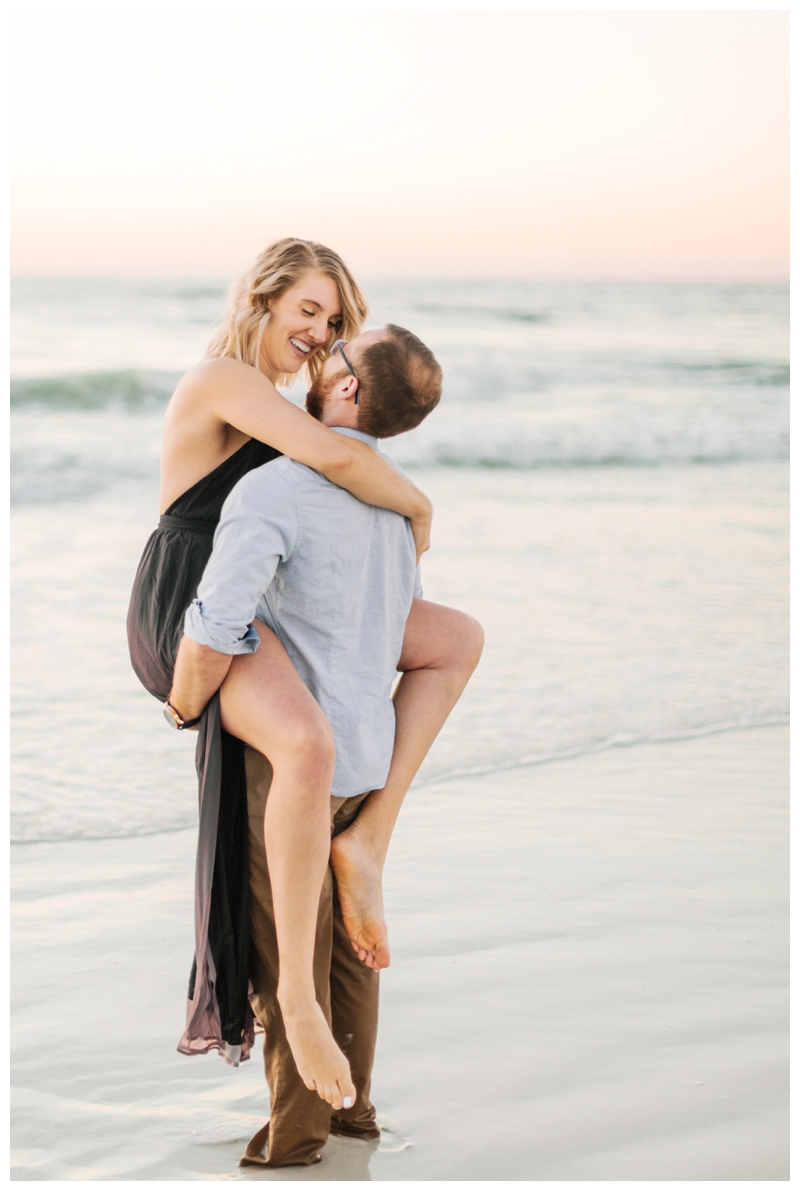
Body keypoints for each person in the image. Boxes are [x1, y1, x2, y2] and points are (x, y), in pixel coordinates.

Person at [126, 238, 483, 1075]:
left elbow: (341, 461)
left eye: (333, 320)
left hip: (258, 605)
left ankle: (368, 843)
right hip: (191, 604)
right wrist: (420, 507)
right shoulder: (222, 380)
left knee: (454, 639)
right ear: (264, 298)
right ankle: (294, 998)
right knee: (308, 745)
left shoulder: (285, 396)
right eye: (308, 311)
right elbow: (331, 455)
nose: (320, 333)